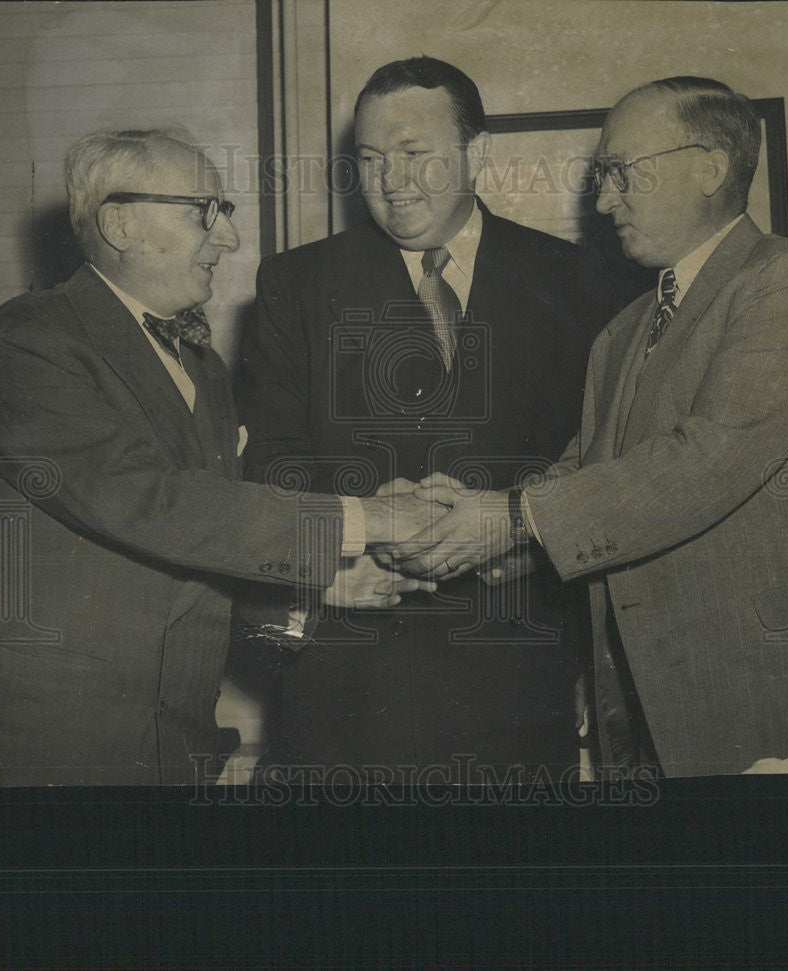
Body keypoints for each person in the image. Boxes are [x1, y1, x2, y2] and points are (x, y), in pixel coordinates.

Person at [395, 77, 788, 777]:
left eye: (621, 173)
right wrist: (454, 524)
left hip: (778, 712)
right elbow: (585, 471)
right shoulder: (623, 331)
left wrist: (511, 516)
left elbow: (707, 460)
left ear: (709, 166)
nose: (603, 201)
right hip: (647, 715)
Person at [0, 129, 439, 787]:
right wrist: (370, 517)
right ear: (120, 223)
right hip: (35, 749)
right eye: (205, 212)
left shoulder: (205, 369)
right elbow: (143, 500)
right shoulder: (24, 342)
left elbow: (194, 543)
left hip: (170, 751)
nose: (228, 240)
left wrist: (315, 587)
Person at [236, 56, 616, 779]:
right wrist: (357, 527)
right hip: (349, 686)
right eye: (371, 159)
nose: (392, 183)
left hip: (518, 680)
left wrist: (523, 540)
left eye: (415, 155)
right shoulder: (295, 284)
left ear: (478, 153)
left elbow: (601, 462)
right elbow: (268, 460)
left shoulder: (577, 280)